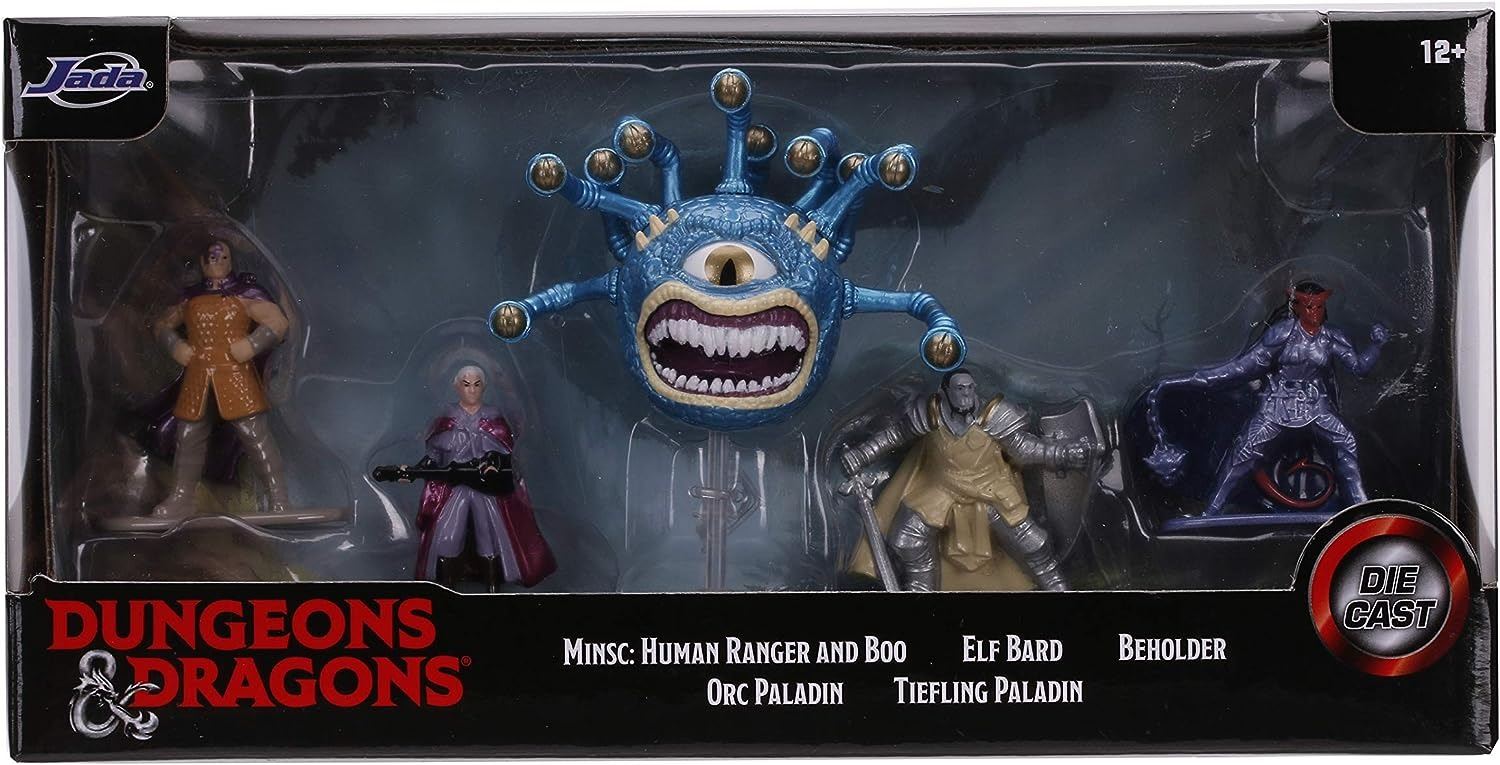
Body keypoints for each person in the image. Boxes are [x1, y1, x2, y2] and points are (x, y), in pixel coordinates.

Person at [840, 369, 1097, 591]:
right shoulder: (930, 414)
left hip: (990, 488)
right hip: (941, 488)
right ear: (945, 392)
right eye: (959, 389)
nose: (966, 395)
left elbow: (1024, 449)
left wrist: (1062, 454)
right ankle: (920, 589)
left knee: (1034, 544)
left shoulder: (995, 416)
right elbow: (895, 435)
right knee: (907, 539)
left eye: (970, 388)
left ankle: (1057, 587)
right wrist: (862, 454)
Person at [1145, 281, 1388, 516]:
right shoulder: (1282, 333)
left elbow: (1359, 367)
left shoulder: (1331, 337)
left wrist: (1376, 346)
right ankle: (1211, 511)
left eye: (1319, 306)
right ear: (1298, 308)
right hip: (1277, 405)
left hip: (1316, 406)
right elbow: (1243, 368)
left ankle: (1361, 508)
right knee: (1244, 452)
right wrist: (1198, 379)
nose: (1314, 311)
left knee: (1345, 442)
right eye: (1309, 306)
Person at [152, 237, 290, 517]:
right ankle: (182, 497)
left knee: (254, 434)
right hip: (199, 374)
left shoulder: (245, 293)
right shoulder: (190, 297)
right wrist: (176, 346)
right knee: (188, 436)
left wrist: (251, 344)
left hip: (235, 373)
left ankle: (278, 497)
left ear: (231, 261)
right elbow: (162, 325)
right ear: (202, 263)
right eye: (212, 258)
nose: (217, 263)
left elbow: (278, 322)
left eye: (223, 258)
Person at [407, 366, 555, 591]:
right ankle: (448, 585)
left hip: (486, 489)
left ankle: (492, 586)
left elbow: (506, 451)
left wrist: (496, 463)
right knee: (447, 535)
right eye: (466, 384)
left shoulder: (494, 418)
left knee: (489, 535)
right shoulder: (446, 419)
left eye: (477, 385)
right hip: (455, 486)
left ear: (484, 387)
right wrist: (415, 471)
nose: (472, 390)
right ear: (456, 386)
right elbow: (433, 455)